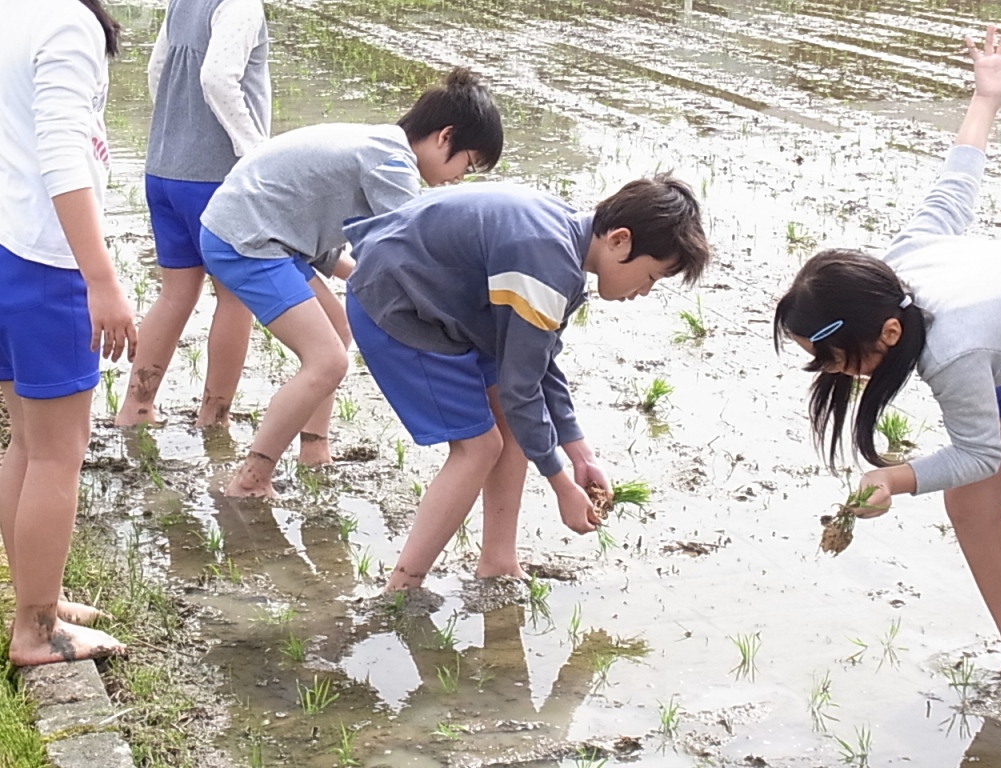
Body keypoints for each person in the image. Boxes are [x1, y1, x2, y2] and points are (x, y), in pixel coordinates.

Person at [773, 21, 1001, 673]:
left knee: (973, 487)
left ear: (886, 333)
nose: (836, 375)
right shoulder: (899, 267)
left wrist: (893, 478)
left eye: (836, 359)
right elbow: (956, 184)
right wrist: (987, 98)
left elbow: (979, 452)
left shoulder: (954, 349)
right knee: (976, 504)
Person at [342, 176, 710, 590]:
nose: (644, 291)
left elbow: (538, 363)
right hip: (396, 304)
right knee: (479, 447)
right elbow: (521, 389)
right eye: (651, 277)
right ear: (620, 240)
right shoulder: (547, 266)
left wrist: (580, 454)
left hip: (442, 301)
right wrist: (561, 484)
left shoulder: (565, 242)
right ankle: (403, 587)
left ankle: (498, 561)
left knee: (509, 419)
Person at [200, 68, 504, 497]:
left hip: (264, 231)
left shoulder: (381, 145)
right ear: (445, 136)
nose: (460, 177)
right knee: (327, 361)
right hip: (246, 238)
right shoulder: (393, 164)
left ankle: (314, 448)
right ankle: (251, 479)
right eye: (467, 164)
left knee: (337, 326)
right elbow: (415, 255)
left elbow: (335, 228)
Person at [0, 0, 137, 665]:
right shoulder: (66, 23)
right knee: (58, 451)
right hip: (45, 261)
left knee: (28, 441)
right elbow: (63, 156)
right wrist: (100, 278)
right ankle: (36, 630)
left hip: (7, 240)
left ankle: (38, 596)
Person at [115, 0, 271, 428]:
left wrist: (180, 131)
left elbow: (156, 70)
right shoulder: (241, 5)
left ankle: (136, 409)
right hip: (216, 180)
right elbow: (218, 78)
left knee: (175, 293)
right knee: (235, 298)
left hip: (164, 170)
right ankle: (213, 418)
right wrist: (255, 153)